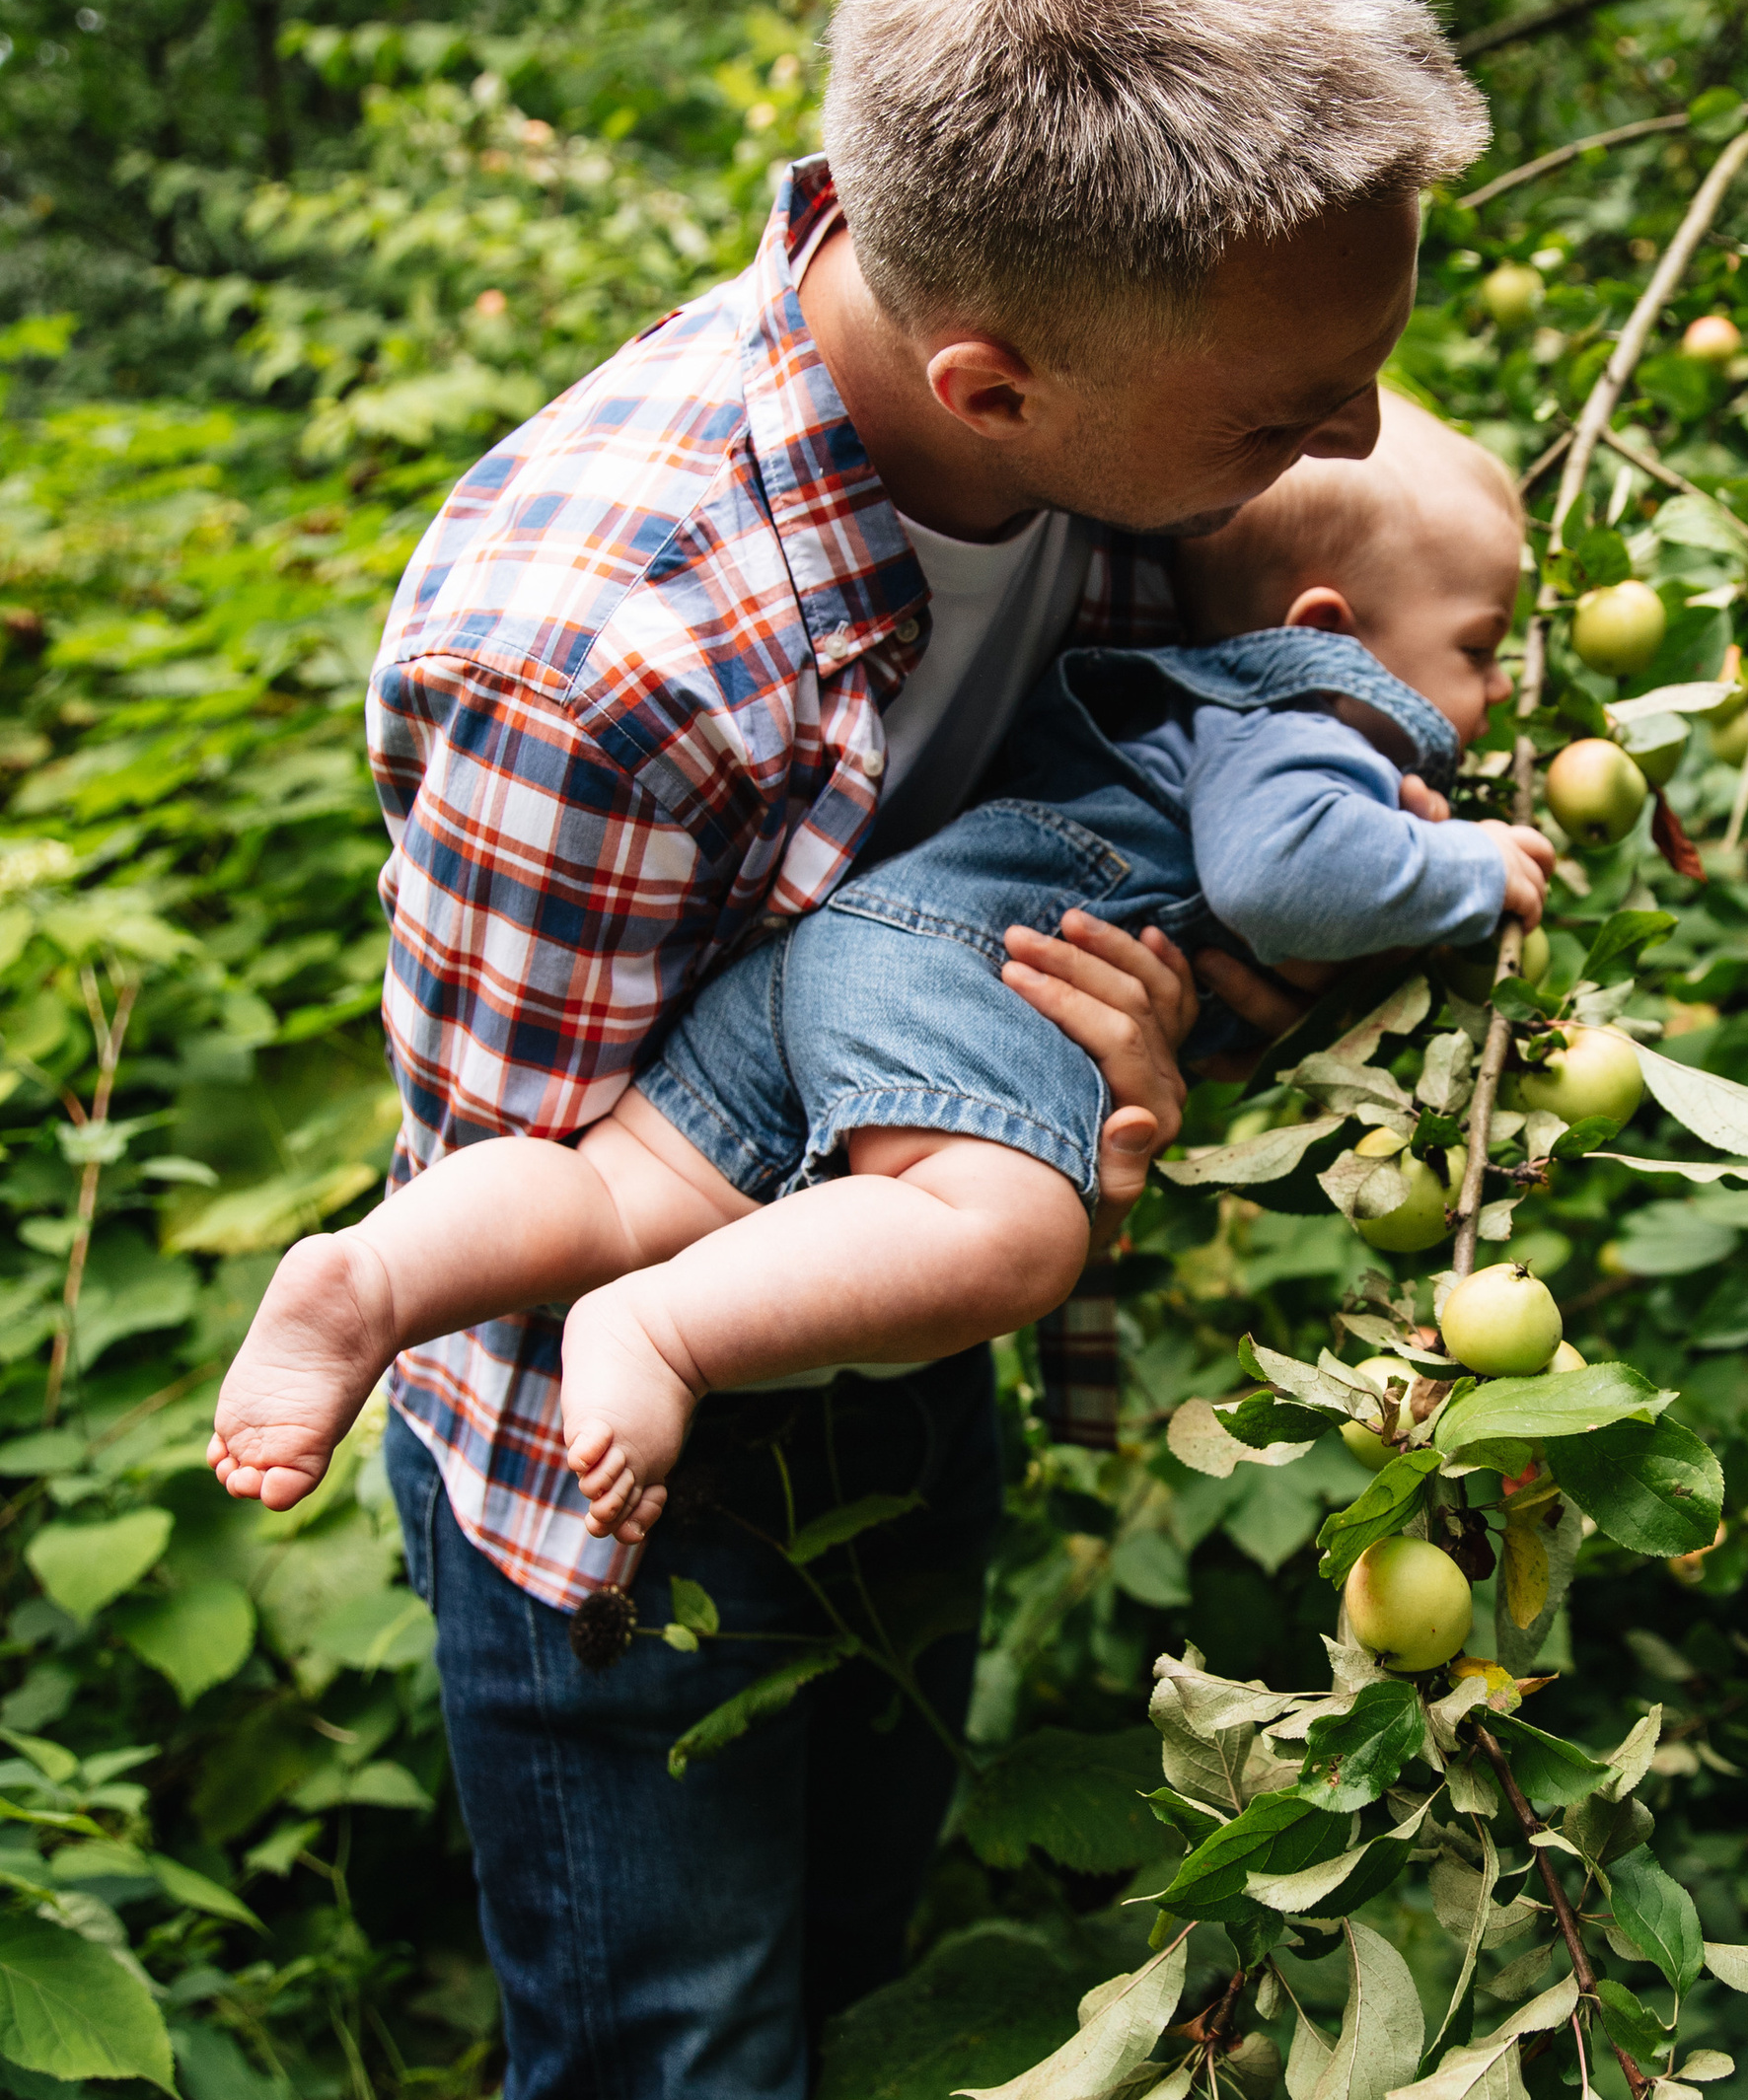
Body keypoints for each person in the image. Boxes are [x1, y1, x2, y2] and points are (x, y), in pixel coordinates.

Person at [341, 0, 1489, 2100]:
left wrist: (1166, 1014)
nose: (1366, 428)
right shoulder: (607, 648)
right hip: (628, 1467)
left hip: (906, 1383)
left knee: (839, 2039)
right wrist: (1030, 1183)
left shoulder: (1099, 401)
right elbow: (567, 1230)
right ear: (991, 369)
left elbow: (1132, 824)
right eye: (1314, 388)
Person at [210, 416, 1548, 1534]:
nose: (1492, 697)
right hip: (951, 981)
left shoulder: (1189, 700)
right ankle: (666, 1331)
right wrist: (1479, 869)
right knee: (1016, 1232)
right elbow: (1279, 876)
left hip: (844, 961)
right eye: (1480, 648)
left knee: (610, 1187)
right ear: (1329, 625)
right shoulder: (1307, 727)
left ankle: (377, 1278)